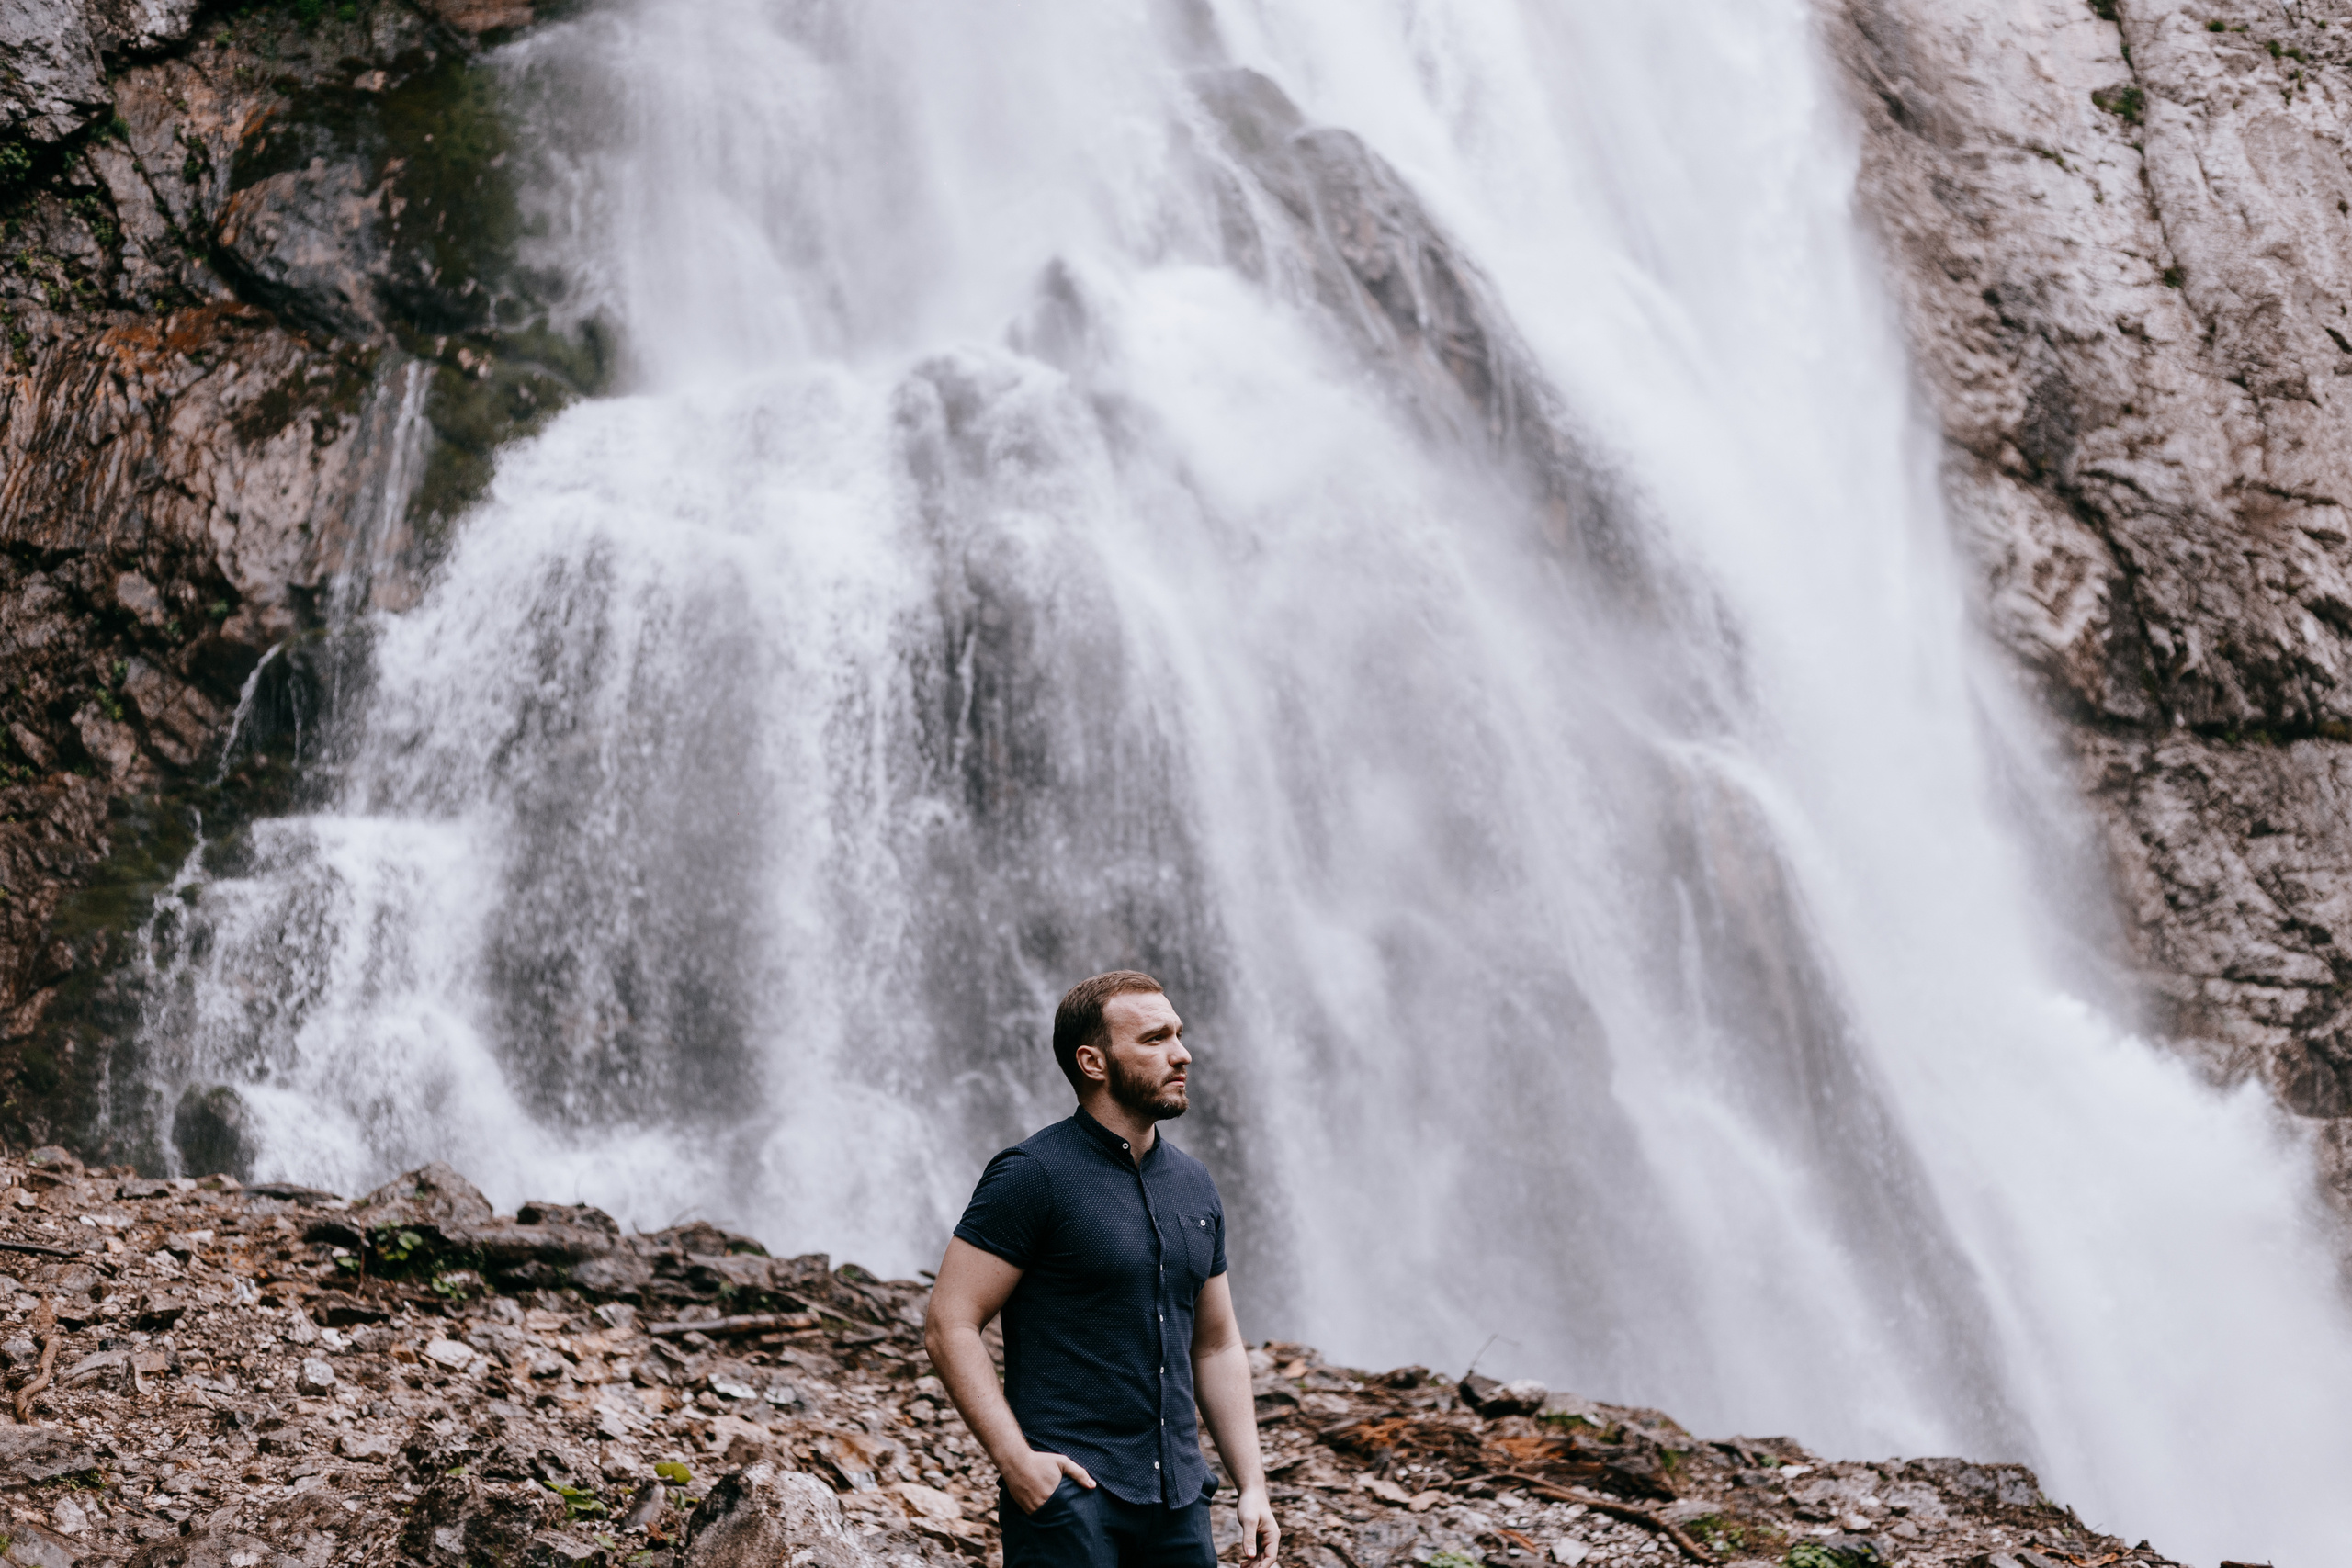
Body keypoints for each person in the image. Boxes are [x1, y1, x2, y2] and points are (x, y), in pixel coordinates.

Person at [923, 971, 1279, 1568]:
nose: (1181, 1052)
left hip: (1181, 1500)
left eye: (1179, 1035)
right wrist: (1017, 1463)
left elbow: (1216, 1345)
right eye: (1154, 1038)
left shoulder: (1195, 1184)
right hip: (1071, 1499)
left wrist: (1253, 1485)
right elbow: (949, 1322)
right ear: (1093, 1061)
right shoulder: (1032, 1173)